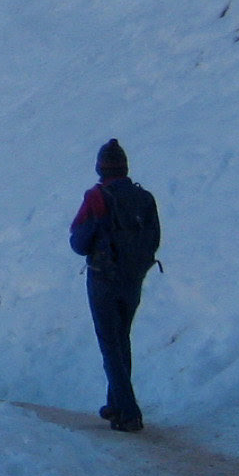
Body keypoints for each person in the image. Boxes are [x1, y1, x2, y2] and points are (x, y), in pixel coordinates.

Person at [70, 138, 161, 432]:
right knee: (122, 339)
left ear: (100, 169)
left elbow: (79, 243)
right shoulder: (144, 199)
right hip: (133, 279)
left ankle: (129, 412)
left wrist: (97, 228)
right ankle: (115, 404)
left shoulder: (97, 197)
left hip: (103, 279)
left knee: (109, 344)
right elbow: (154, 239)